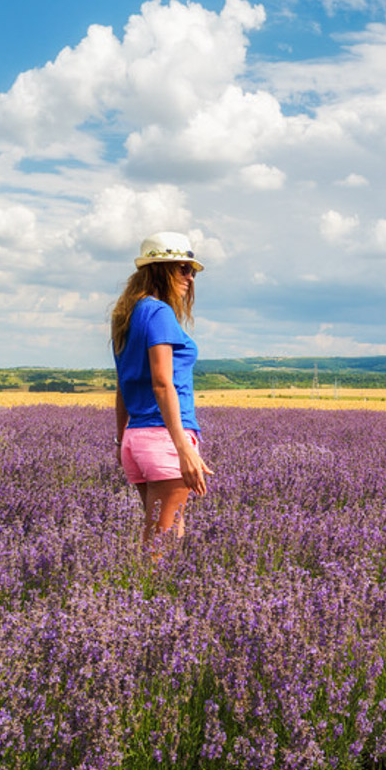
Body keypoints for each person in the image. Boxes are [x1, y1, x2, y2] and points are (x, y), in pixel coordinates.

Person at [112, 231, 213, 548]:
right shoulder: (158, 313)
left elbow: (123, 386)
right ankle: (139, 596)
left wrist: (121, 440)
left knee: (168, 534)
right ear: (161, 269)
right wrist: (183, 448)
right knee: (160, 543)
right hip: (164, 438)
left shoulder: (128, 316)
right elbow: (162, 382)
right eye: (183, 268)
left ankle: (164, 594)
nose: (190, 278)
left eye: (192, 270)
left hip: (137, 438)